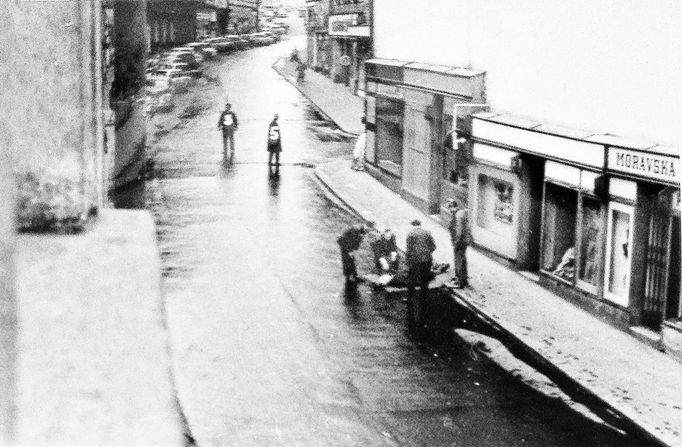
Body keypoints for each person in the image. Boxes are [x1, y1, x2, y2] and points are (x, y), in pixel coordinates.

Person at [405, 219, 436, 299]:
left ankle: (410, 297)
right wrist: (427, 253)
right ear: (420, 225)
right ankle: (424, 297)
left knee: (412, 278)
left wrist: (407, 262)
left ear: (413, 226)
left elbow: (409, 250)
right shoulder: (427, 233)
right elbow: (433, 246)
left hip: (415, 260)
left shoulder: (410, 234)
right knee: (425, 279)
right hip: (427, 259)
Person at [447, 200, 472, 288]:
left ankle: (460, 281)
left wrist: (456, 242)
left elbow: (459, 231)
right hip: (463, 241)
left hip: (460, 241)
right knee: (462, 259)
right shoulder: (460, 213)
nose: (449, 211)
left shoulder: (458, 216)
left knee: (459, 260)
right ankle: (463, 279)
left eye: (450, 208)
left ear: (454, 207)